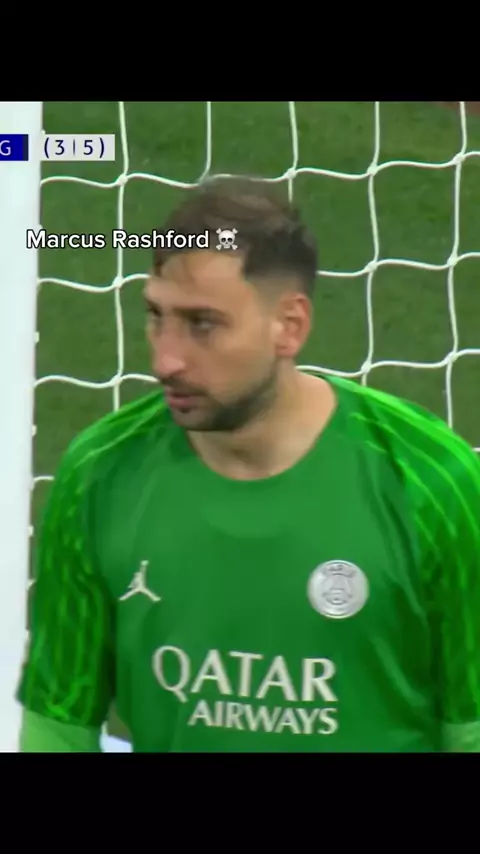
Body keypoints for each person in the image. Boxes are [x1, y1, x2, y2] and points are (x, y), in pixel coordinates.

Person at [17, 176, 480, 752]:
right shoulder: (100, 473)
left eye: (202, 324)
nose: (166, 360)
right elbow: (58, 727)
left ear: (290, 326)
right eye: (156, 315)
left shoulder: (430, 480)